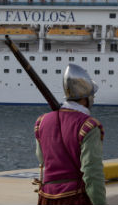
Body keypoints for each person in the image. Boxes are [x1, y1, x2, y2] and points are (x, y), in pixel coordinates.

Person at [34, 64, 105, 205]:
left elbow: (42, 159)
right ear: (86, 97)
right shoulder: (88, 126)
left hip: (46, 197)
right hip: (75, 197)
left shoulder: (41, 122)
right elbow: (92, 174)